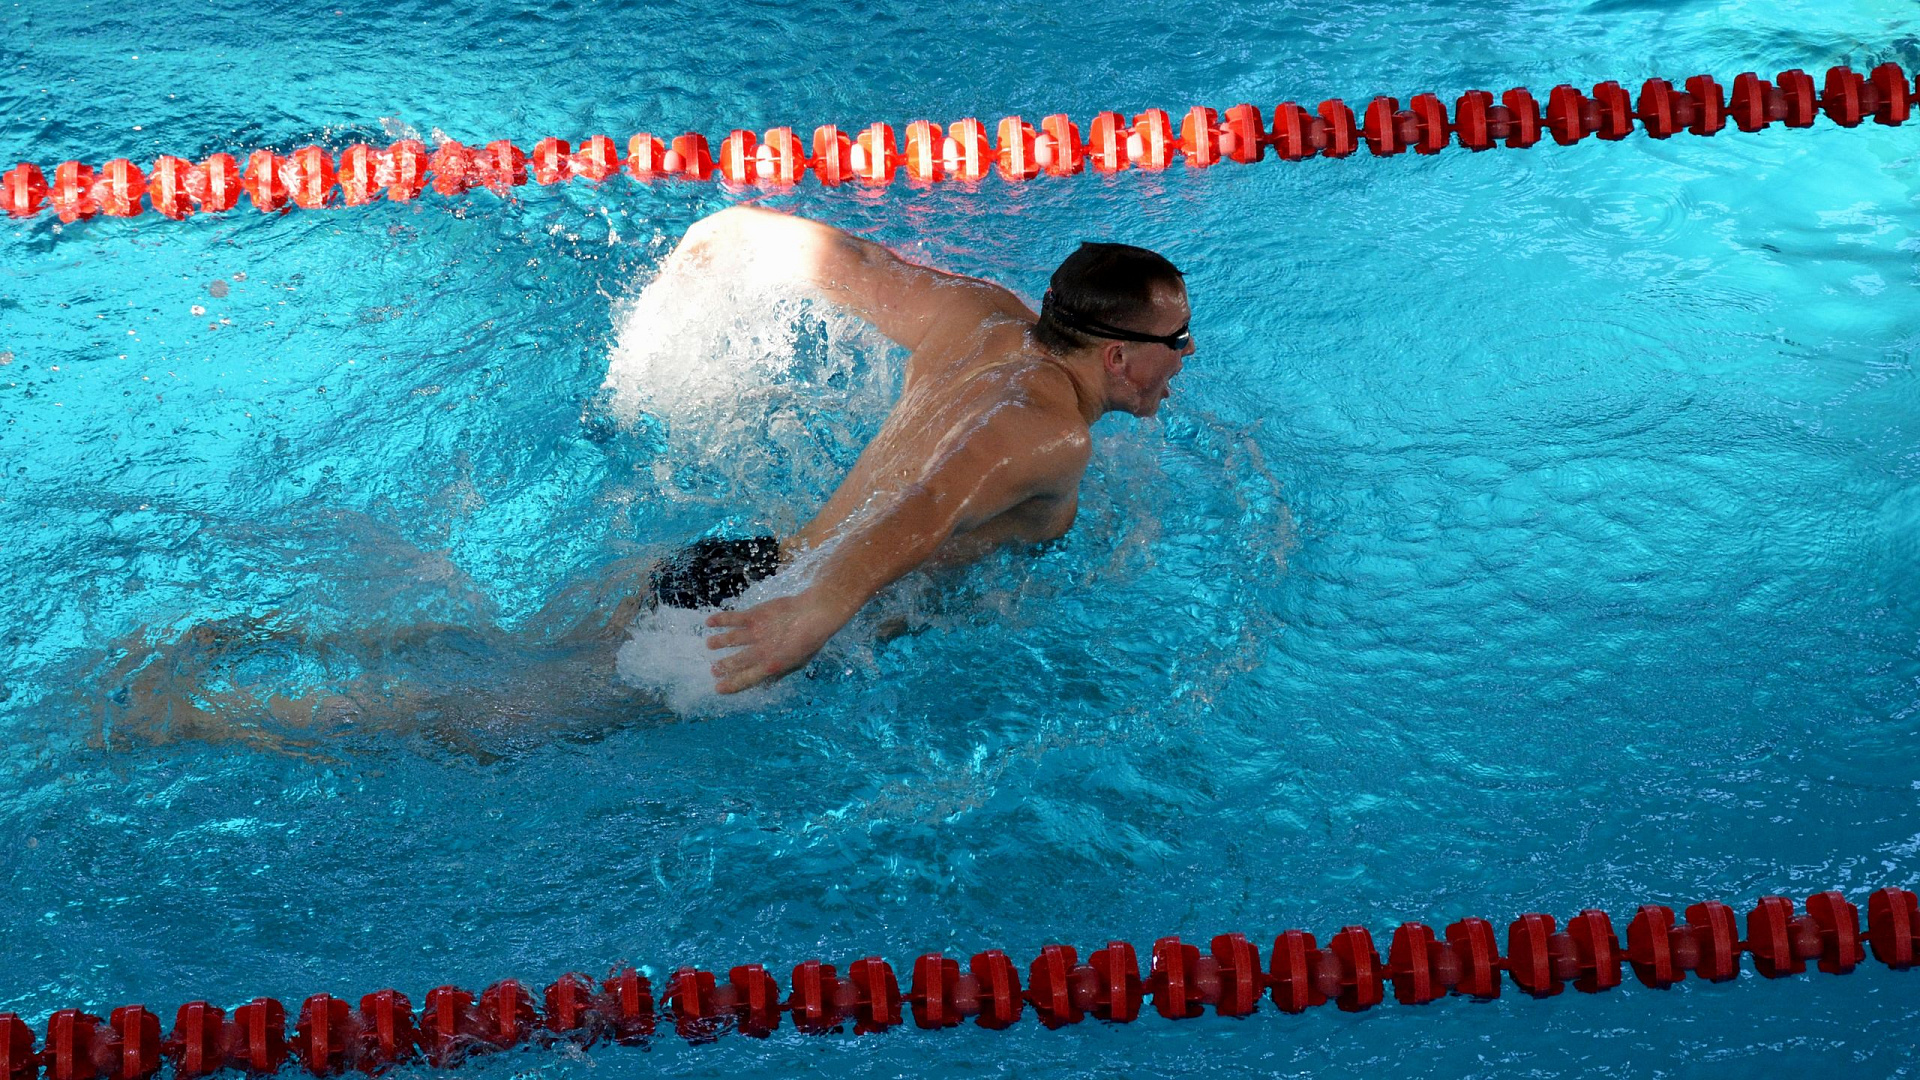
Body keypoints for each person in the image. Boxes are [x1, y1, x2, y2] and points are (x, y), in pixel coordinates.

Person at [648, 205, 1194, 694]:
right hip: (757, 631)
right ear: (1117, 358)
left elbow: (856, 260)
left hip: (737, 566)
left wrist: (723, 231)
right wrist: (816, 612)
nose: (1188, 349)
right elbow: (931, 500)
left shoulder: (978, 314)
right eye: (1176, 337)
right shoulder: (1052, 432)